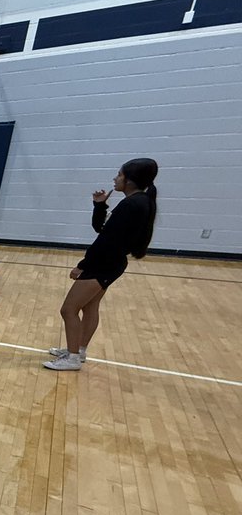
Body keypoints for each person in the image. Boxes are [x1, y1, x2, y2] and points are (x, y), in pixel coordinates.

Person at [44, 158, 159, 371]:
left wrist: (83, 265)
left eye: (120, 175)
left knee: (68, 309)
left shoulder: (132, 204)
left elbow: (107, 241)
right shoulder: (138, 202)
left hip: (104, 264)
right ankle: (78, 350)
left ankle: (72, 358)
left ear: (130, 180)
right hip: (112, 263)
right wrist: (100, 206)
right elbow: (103, 229)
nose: (115, 178)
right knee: (90, 306)